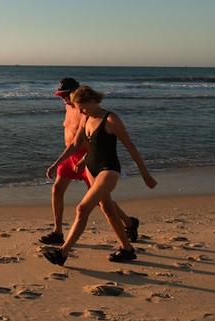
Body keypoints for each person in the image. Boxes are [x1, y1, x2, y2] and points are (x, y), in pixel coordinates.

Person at [42, 85, 157, 265]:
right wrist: (57, 164)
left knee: (82, 208)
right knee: (108, 209)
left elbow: (130, 147)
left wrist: (145, 174)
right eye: (78, 107)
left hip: (108, 170)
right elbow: (75, 144)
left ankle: (62, 253)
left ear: (94, 100)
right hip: (91, 167)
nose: (80, 111)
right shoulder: (86, 117)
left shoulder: (111, 119)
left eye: (83, 107)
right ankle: (127, 249)